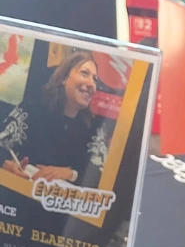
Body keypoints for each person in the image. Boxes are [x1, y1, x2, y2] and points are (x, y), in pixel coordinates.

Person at [0, 50, 108, 186]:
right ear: (64, 78)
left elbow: (100, 176)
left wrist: (71, 174)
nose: (91, 84)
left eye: (95, 79)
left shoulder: (95, 129)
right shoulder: (31, 110)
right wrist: (6, 164)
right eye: (84, 73)